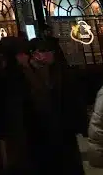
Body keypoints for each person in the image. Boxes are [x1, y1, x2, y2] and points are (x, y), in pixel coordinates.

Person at [19, 38, 86, 175]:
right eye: (43, 51)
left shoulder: (60, 71)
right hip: (41, 130)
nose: (48, 54)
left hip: (63, 128)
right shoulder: (26, 74)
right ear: (33, 54)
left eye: (50, 50)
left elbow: (73, 99)